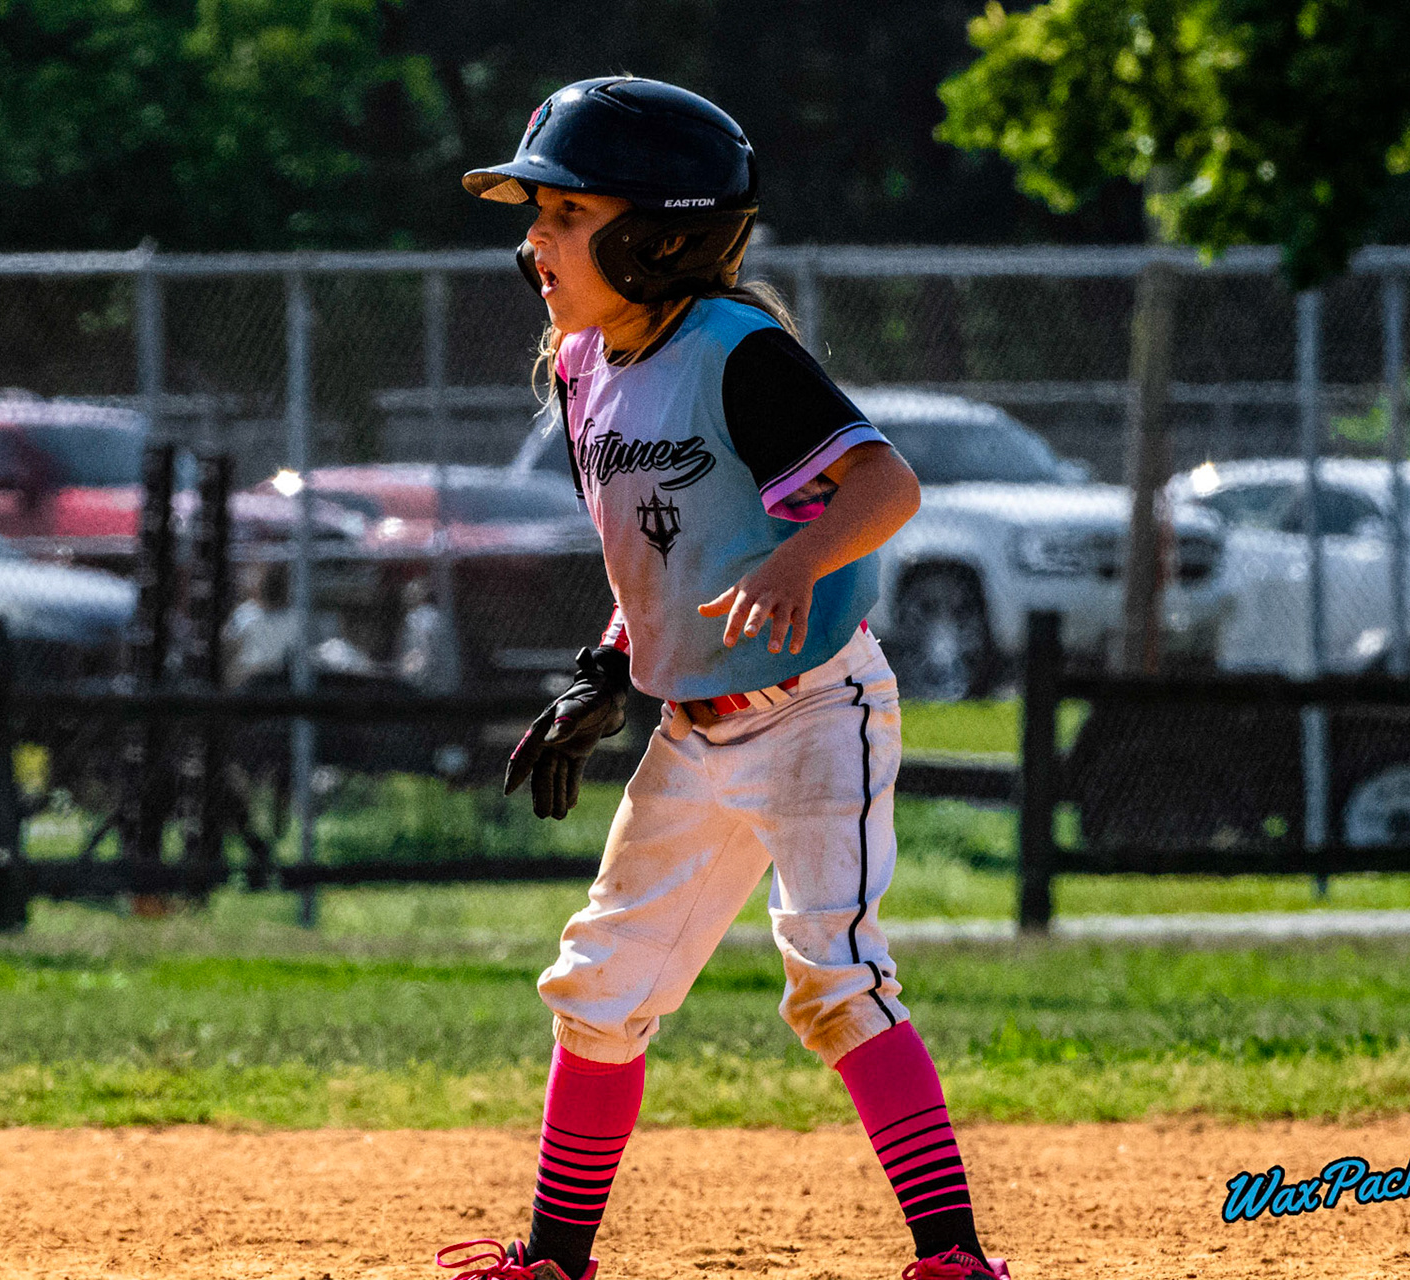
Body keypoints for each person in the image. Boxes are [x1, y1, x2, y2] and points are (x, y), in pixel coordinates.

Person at [431, 78, 1008, 1280]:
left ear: (659, 233)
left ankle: (954, 1255)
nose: (533, 240)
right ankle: (555, 1256)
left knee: (835, 972)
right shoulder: (584, 370)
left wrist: (800, 559)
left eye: (565, 213)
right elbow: (663, 550)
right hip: (695, 732)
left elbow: (885, 489)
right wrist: (602, 671)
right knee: (599, 985)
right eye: (533, 215)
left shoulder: (739, 353)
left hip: (817, 709)